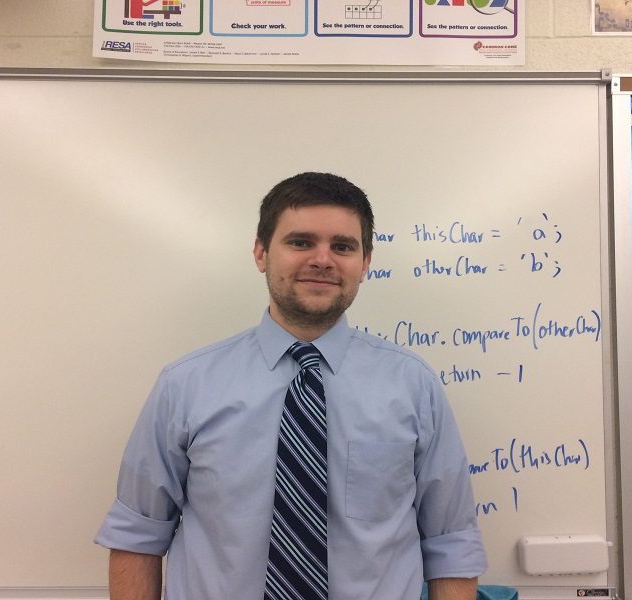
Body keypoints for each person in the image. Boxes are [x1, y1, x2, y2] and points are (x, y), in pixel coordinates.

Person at [95, 172, 487, 599]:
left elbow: (450, 544)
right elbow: (137, 535)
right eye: (300, 242)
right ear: (261, 252)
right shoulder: (184, 386)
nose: (323, 260)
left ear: (366, 262)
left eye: (343, 246)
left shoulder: (415, 386)